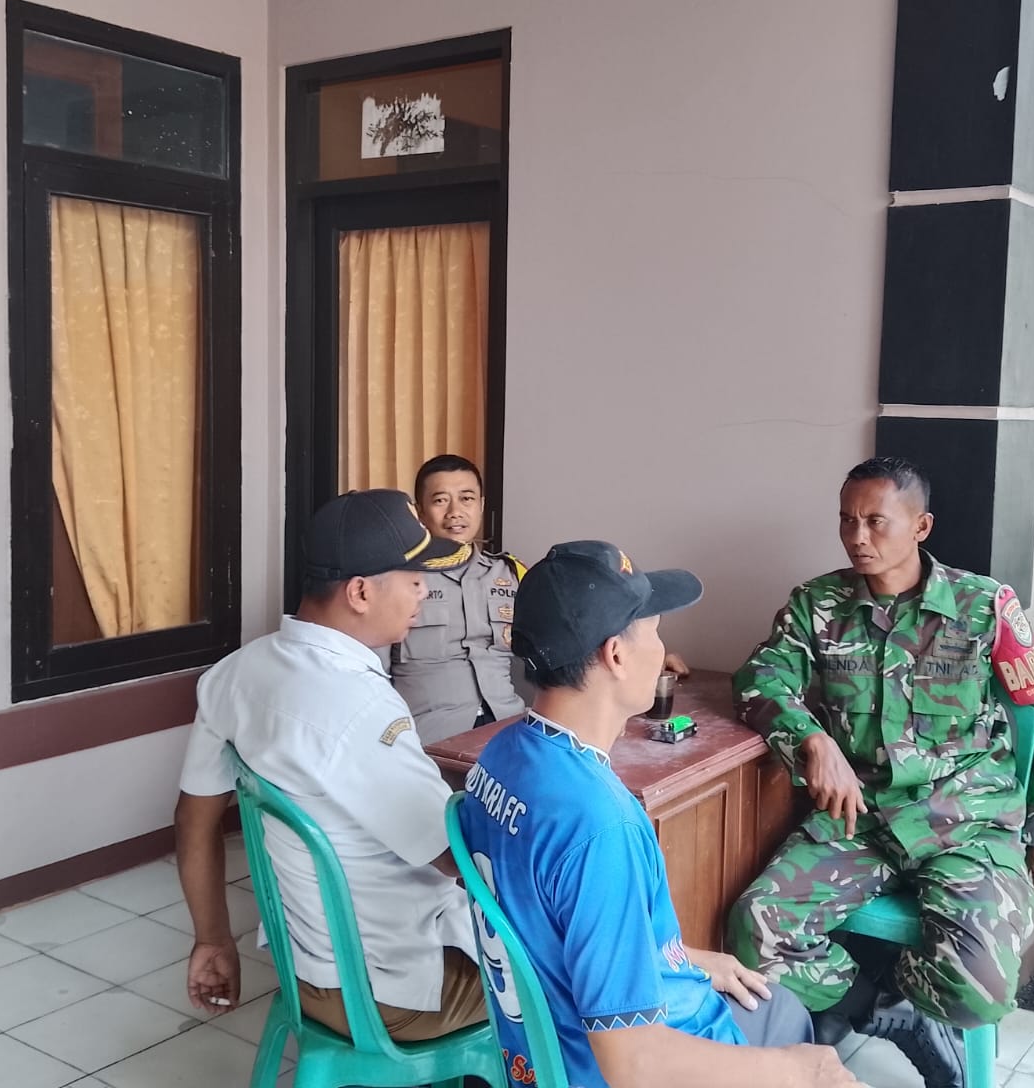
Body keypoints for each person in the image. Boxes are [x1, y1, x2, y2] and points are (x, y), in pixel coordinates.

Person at [459, 540, 863, 1088]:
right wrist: (798, 1071)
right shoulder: (601, 824)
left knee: (766, 999)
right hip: (604, 1066)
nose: (662, 648)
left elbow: (558, 922)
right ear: (616, 655)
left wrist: (679, 959)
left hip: (537, 1052)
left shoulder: (502, 755)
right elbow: (633, 1062)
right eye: (653, 630)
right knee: (787, 1020)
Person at [728, 457, 1034, 1088]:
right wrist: (812, 740)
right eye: (847, 520)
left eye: (875, 521)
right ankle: (886, 1013)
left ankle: (900, 995)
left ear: (920, 526)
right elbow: (759, 679)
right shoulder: (817, 604)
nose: (857, 536)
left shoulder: (984, 605)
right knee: (755, 929)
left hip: (966, 821)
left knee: (981, 988)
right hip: (859, 818)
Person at [173, 489, 489, 1041]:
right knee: (577, 966)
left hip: (305, 968)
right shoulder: (360, 706)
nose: (425, 591)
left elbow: (193, 820)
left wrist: (213, 938)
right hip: (392, 990)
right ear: (361, 592)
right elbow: (458, 856)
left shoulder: (235, 673)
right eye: (414, 579)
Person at [394, 454, 688, 744]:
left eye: (466, 499)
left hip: (507, 727)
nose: (455, 512)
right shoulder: (398, 582)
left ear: (481, 505)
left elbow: (578, 632)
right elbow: (373, 672)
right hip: (429, 738)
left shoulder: (511, 574)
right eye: (440, 500)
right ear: (420, 512)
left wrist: (645, 654)